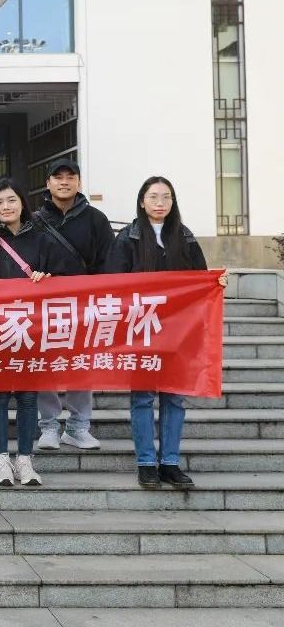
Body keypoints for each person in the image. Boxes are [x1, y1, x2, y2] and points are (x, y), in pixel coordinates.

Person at [104, 176, 228, 489]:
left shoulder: (183, 236)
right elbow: (112, 283)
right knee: (143, 398)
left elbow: (201, 279)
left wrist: (216, 283)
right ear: (142, 201)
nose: (160, 203)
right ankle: (147, 463)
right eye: (154, 196)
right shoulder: (128, 237)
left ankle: (170, 462)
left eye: (166, 197)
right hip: (141, 329)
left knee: (175, 398)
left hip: (179, 331)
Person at [0, 179, 80, 487]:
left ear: (22, 203)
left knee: (28, 397)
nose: (6, 207)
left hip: (31, 330)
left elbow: (66, 278)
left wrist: (48, 278)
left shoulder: (42, 240)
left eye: (11, 200)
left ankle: (25, 459)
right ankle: (1, 459)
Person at [33, 158, 115, 452]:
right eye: (58, 177)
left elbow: (109, 262)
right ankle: (49, 426)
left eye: (71, 176)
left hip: (85, 306)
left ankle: (79, 427)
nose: (64, 182)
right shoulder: (35, 221)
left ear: (79, 182)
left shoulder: (96, 219)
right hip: (45, 307)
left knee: (82, 365)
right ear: (48, 183)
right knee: (45, 365)